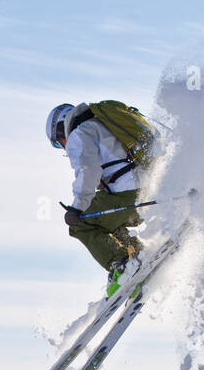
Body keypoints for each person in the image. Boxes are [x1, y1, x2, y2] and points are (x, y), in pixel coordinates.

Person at [46, 101, 155, 297]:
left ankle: (123, 266)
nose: (62, 147)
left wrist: (77, 209)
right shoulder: (104, 124)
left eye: (57, 142)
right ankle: (137, 255)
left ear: (62, 129)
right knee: (107, 226)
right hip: (149, 192)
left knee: (82, 225)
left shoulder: (79, 134)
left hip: (126, 195)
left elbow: (88, 172)